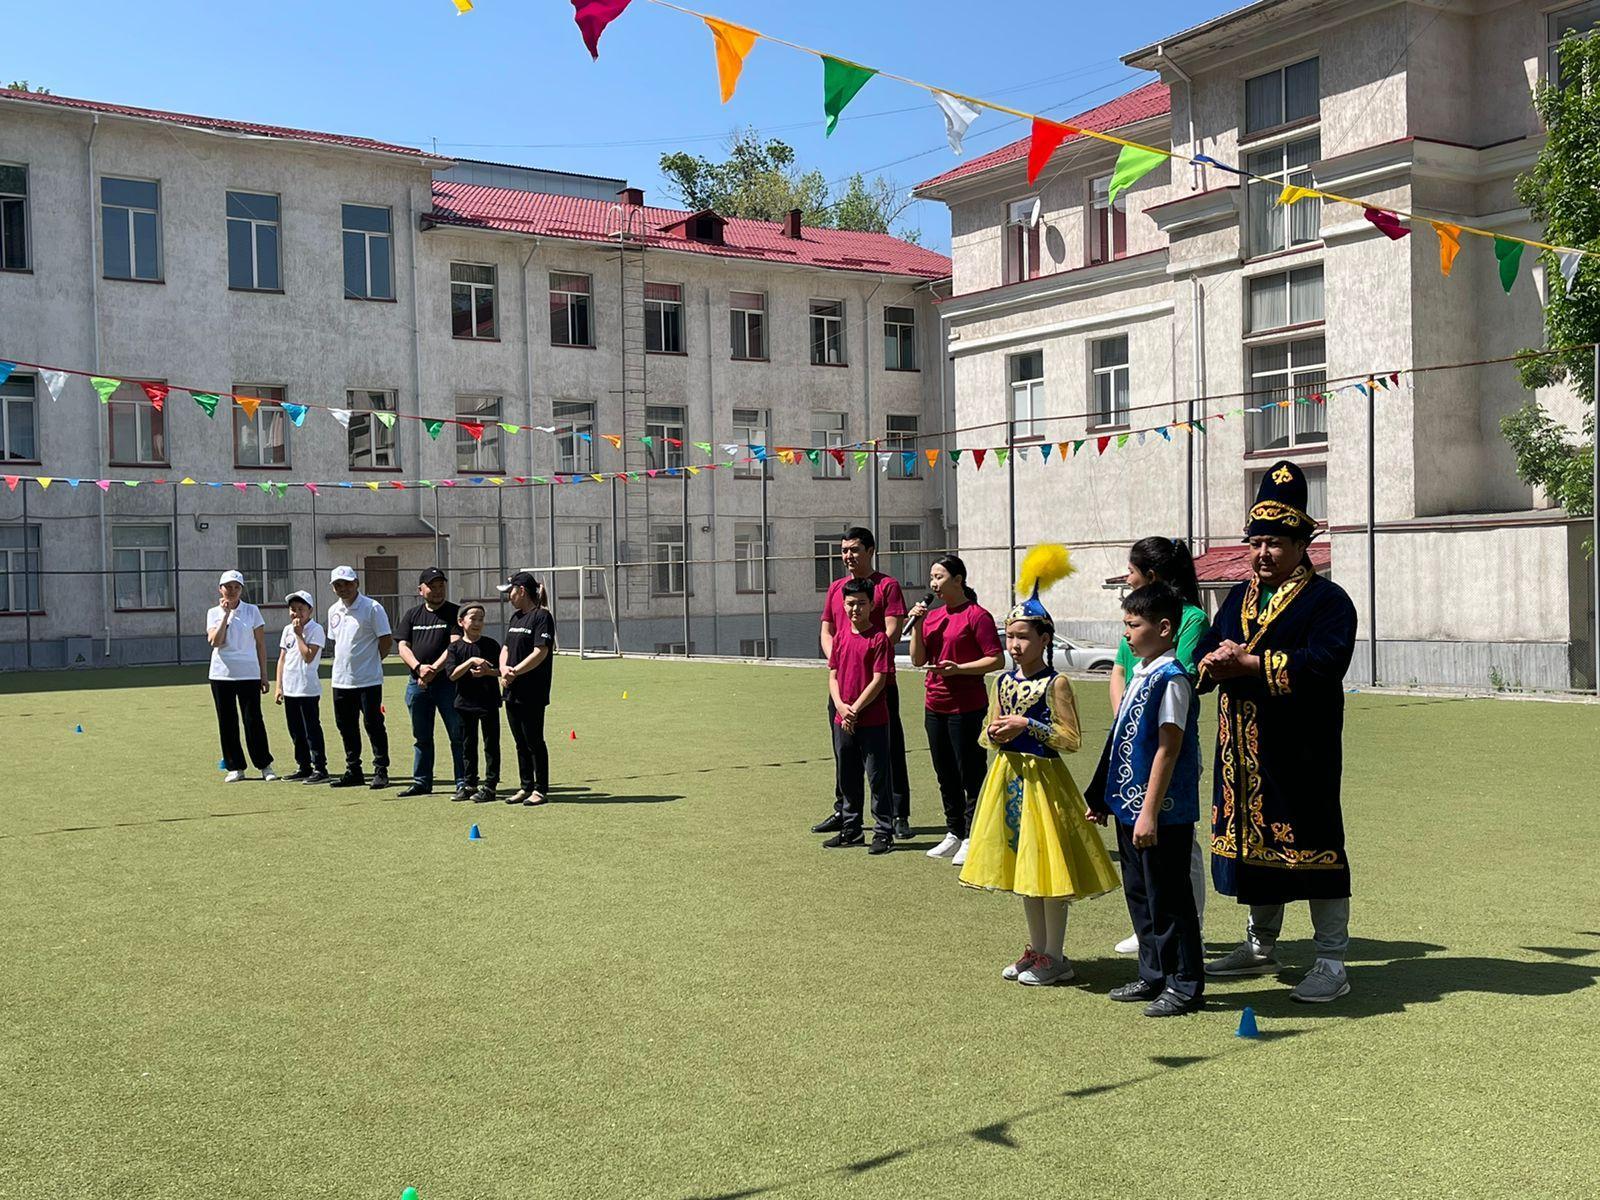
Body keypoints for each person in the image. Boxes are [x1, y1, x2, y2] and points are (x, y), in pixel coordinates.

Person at [1196, 460, 1359, 1003]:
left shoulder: (1328, 601)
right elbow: (1207, 648)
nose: (1262, 553)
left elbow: (1326, 663)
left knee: (1315, 850)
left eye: (1274, 544)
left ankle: (1331, 961)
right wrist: (1212, 661)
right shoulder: (1237, 597)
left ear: (1301, 546)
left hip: (1300, 752)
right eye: (1256, 543)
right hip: (1240, 755)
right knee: (1253, 851)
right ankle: (1260, 945)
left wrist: (1250, 664)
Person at [959, 545, 1120, 987]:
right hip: (1008, 780)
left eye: (1023, 637)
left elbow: (1071, 739)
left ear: (1045, 639)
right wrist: (995, 733)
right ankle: (1036, 948)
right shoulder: (1001, 680)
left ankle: (1056, 956)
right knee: (1024, 870)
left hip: (1044, 786)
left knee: (1048, 870)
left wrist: (1028, 724)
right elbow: (987, 731)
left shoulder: (1056, 683)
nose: (1014, 645)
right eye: (1009, 636)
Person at [1085, 583, 1205, 1017]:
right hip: (1128, 807)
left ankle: (1185, 984)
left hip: (1161, 813)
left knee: (1170, 898)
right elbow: (1121, 739)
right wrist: (1104, 796)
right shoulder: (1142, 673)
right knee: (1141, 894)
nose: (1126, 634)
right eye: (1125, 624)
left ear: (1165, 628)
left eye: (1133, 625)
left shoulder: (1172, 679)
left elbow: (1168, 749)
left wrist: (1149, 812)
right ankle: (1153, 974)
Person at [1106, 536, 1211, 956]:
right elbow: (1120, 671)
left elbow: (1177, 672)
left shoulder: (1189, 618)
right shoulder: (1137, 618)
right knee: (1137, 839)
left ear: (1150, 575)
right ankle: (1151, 928)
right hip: (1133, 742)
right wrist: (1126, 718)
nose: (1127, 578)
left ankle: (1188, 926)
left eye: (1131, 572)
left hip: (1169, 741)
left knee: (1175, 839)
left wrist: (1141, 717)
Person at [815, 527, 912, 838]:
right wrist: (839, 661)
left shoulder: (887, 586)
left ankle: (898, 814)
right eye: (844, 550)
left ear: (870, 551)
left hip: (878, 686)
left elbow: (893, 630)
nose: (848, 555)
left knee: (888, 750)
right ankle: (844, 812)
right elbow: (827, 631)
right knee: (844, 751)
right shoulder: (836, 588)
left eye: (854, 549)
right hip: (842, 689)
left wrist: (867, 657)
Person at [906, 555, 1003, 866]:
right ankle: (954, 832)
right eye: (931, 578)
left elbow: (996, 659)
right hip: (935, 705)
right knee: (945, 773)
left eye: (940, 577)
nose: (933, 583)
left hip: (967, 707)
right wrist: (917, 625)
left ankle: (974, 836)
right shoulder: (932, 617)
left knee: (970, 773)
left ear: (958, 580)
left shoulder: (978, 616)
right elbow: (918, 660)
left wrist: (958, 668)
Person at [825, 578, 897, 854]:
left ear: (872, 605)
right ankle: (851, 830)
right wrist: (841, 707)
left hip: (873, 721)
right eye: (851, 604)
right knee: (848, 776)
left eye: (861, 603)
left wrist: (854, 709)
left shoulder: (879, 639)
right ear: (843, 605)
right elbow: (833, 675)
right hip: (843, 720)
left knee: (877, 777)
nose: (856, 609)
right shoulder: (841, 636)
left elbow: (879, 679)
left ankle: (883, 832)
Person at [395, 567, 464, 798]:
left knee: (457, 735)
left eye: (440, 586)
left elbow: (454, 644)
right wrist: (419, 668)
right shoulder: (412, 615)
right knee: (422, 737)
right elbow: (402, 646)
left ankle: (463, 781)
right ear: (420, 590)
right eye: (432, 587)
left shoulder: (454, 613)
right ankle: (421, 782)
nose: (437, 591)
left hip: (447, 683)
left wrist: (433, 669)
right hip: (418, 684)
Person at [326, 565, 393, 790]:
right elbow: (338, 642)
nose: (342, 588)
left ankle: (381, 770)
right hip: (340, 680)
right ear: (333, 588)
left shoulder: (372, 608)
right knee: (345, 726)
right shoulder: (333, 610)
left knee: (373, 724)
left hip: (368, 680)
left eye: (347, 583)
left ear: (356, 583)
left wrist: (372, 662)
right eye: (338, 585)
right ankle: (354, 770)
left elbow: (386, 641)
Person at [206, 569, 277, 783]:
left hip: (249, 674)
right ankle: (235, 767)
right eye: (228, 587)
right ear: (220, 589)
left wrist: (264, 674)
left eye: (237, 587)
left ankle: (264, 765)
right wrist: (225, 615)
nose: (232, 591)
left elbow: (260, 644)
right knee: (227, 721)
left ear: (242, 589)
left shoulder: (252, 611)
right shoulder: (213, 613)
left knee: (253, 720)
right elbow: (215, 641)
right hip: (221, 675)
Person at [498, 571, 555, 806]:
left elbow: (540, 652)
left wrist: (514, 672)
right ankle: (526, 786)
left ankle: (540, 790)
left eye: (510, 591)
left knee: (534, 741)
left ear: (521, 591)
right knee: (520, 742)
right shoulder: (515, 617)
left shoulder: (542, 617)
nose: (508, 596)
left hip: (532, 691)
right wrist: (503, 668)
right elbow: (505, 648)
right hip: (512, 691)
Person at [446, 603, 502, 803]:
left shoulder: (491, 645)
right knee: (468, 746)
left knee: (491, 745)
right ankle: (469, 784)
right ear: (461, 622)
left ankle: (490, 786)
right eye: (473, 618)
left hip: (488, 702)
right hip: (464, 704)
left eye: (481, 619)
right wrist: (470, 661)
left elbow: (502, 670)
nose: (477, 623)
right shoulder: (454, 648)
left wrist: (488, 672)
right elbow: (452, 675)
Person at [274, 590, 328, 784]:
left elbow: (308, 656)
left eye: (300, 609)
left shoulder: (316, 629)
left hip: (307, 688)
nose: (296, 613)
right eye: (293, 609)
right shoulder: (287, 630)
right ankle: (303, 766)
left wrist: (299, 635)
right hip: (290, 689)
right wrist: (279, 686)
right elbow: (282, 659)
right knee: (296, 730)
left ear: (310, 610)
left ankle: (320, 768)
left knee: (311, 730)